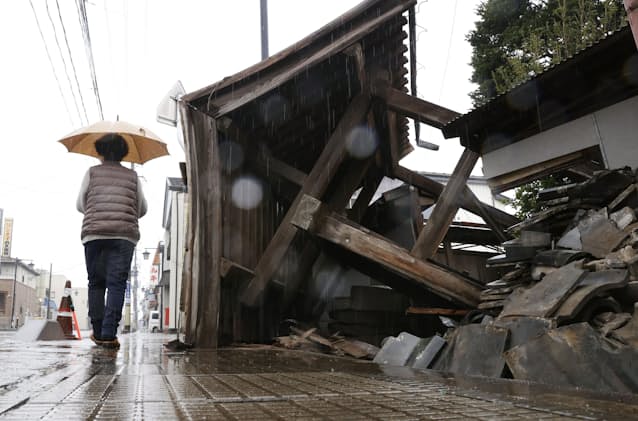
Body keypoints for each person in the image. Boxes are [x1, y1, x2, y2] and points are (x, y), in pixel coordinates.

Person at [76, 133, 147, 349]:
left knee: (96, 283)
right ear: (124, 153)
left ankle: (97, 332)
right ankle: (108, 334)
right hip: (123, 236)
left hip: (94, 234)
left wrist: (98, 212)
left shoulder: (92, 173)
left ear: (100, 152)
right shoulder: (132, 177)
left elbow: (80, 204)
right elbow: (141, 208)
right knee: (116, 284)